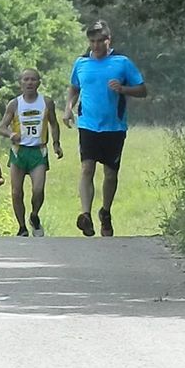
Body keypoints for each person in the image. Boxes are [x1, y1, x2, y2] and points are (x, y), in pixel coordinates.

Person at [63, 20, 147, 237]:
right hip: (88, 124)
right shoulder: (81, 63)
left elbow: (142, 90)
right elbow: (74, 87)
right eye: (92, 41)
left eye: (101, 41)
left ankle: (105, 212)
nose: (96, 45)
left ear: (109, 40)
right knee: (86, 168)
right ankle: (86, 215)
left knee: (110, 174)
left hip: (114, 126)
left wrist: (123, 89)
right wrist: (68, 108)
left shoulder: (122, 62)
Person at [0, 68, 63, 237]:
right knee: (16, 192)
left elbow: (54, 124)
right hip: (19, 152)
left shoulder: (47, 102)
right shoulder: (14, 104)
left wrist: (56, 143)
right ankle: (22, 227)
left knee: (38, 190)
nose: (29, 83)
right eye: (26, 79)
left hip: (38, 151)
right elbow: (1, 127)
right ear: (20, 83)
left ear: (39, 83)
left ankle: (34, 215)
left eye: (33, 79)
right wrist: (11, 134)